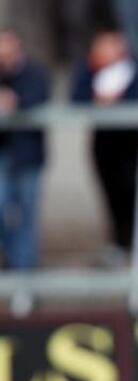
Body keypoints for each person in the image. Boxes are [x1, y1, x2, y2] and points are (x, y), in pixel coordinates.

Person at [71, 29, 138, 266]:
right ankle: (119, 243)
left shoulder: (136, 71)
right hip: (104, 146)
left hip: (132, 146)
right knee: (112, 197)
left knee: (135, 194)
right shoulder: (89, 72)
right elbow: (76, 98)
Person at [0, 28, 50, 269]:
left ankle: (25, 270)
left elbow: (39, 98)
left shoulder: (35, 72)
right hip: (4, 154)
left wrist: (16, 102)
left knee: (27, 215)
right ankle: (11, 259)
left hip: (28, 155)